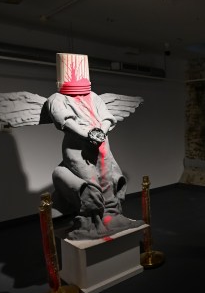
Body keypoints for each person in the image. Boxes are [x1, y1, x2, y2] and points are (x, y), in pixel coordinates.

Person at [47, 53, 144, 240]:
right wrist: (88, 135)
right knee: (89, 181)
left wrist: (100, 132)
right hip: (77, 147)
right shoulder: (57, 98)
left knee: (108, 178)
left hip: (102, 143)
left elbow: (107, 117)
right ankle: (91, 219)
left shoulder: (93, 96)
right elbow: (65, 121)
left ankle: (111, 216)